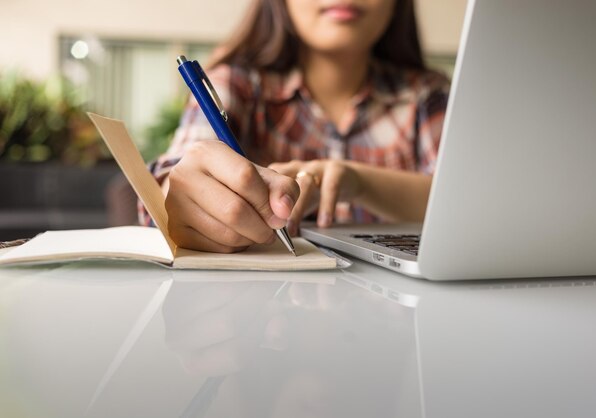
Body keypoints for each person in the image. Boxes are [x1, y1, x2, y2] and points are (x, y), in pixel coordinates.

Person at [143, 0, 450, 253]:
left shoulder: (428, 96)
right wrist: (178, 196)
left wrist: (359, 182)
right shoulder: (234, 84)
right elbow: (173, 178)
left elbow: (466, 204)